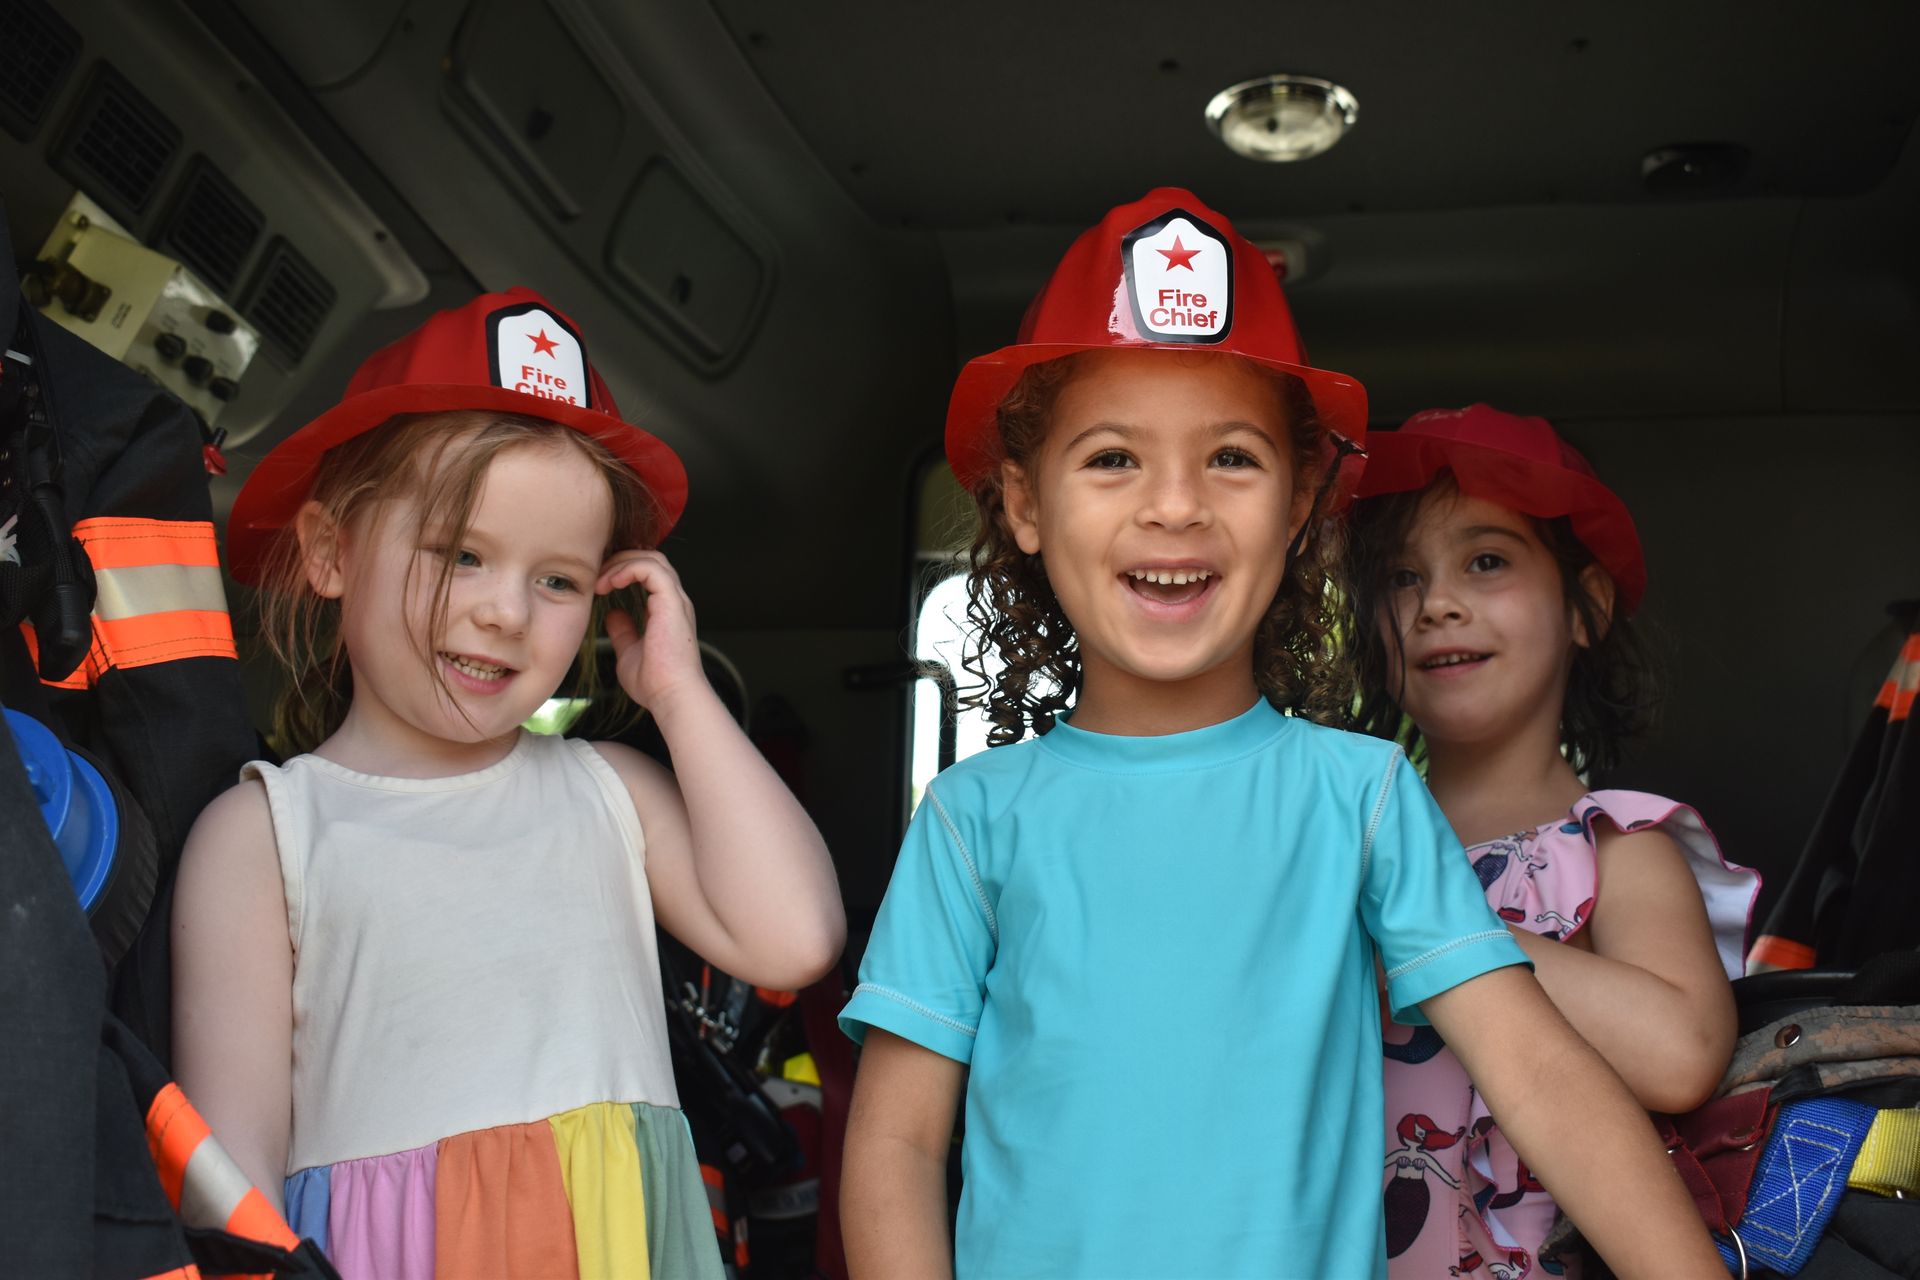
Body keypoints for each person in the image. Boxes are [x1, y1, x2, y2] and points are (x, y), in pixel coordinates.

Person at [837, 188, 1728, 1279]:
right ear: (1025, 501)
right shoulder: (973, 821)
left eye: (1233, 458)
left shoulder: (1360, 798)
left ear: (1305, 499)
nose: (1175, 505)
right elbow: (898, 1139)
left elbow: (1539, 1074)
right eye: (1113, 457)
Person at [170, 289, 845, 1279]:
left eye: (559, 579)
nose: (505, 611)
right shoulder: (264, 831)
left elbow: (798, 933)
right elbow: (229, 1173)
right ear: (330, 551)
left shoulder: (610, 787)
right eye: (462, 554)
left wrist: (679, 689)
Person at [1348, 404, 1759, 1277]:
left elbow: (1681, 1055)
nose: (1437, 605)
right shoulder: (1348, 849)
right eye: (1399, 578)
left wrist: (1432, 935)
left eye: (1486, 561)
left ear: (1586, 608)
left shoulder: (1619, 844)